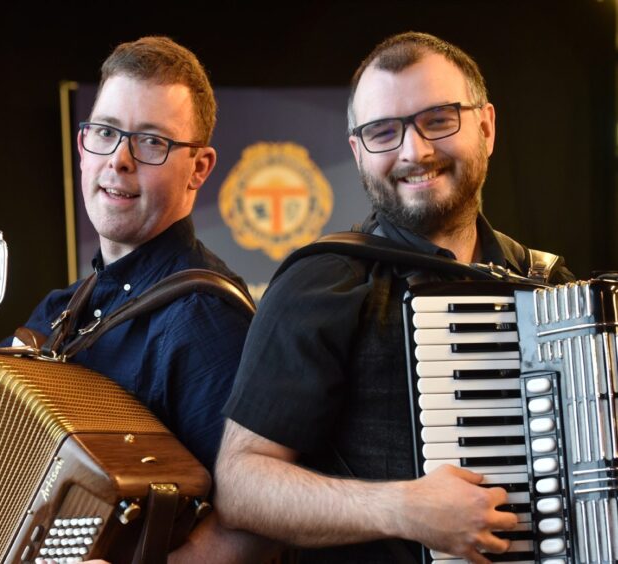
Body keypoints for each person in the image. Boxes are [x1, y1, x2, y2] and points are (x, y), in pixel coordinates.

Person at [0, 36, 268, 562]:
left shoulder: (207, 317)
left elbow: (252, 526)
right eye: (105, 132)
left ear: (199, 167)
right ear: (83, 146)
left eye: (151, 142)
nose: (120, 160)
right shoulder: (60, 311)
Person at [214, 31, 575, 564]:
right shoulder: (321, 282)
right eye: (384, 131)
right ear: (358, 152)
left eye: (438, 119)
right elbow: (241, 487)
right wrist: (403, 508)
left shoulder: (547, 284)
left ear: (487, 126)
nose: (415, 151)